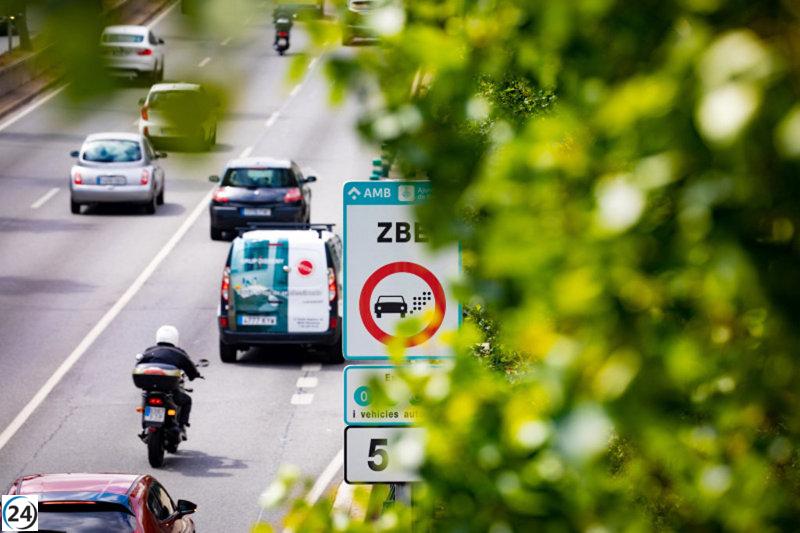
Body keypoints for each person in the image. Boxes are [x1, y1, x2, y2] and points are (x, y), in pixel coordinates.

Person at [137, 325, 201, 433]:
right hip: (169, 390)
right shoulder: (179, 353)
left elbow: (139, 365)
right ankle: (181, 426)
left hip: (149, 388)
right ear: (175, 338)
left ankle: (146, 421)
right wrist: (194, 375)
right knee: (187, 401)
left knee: (145, 395)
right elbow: (190, 368)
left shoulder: (149, 351)